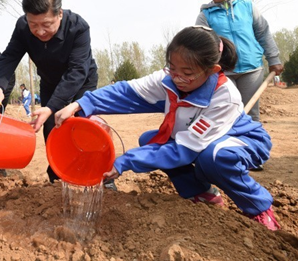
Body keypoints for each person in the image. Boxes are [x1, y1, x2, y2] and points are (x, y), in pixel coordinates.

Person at [55, 26, 280, 231]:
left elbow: (183, 150)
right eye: (172, 68)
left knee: (213, 158)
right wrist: (80, 104)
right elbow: (125, 92)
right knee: (150, 141)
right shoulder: (167, 79)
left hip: (240, 139)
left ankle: (258, 208)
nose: (178, 78)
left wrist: (124, 162)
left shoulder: (224, 97)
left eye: (188, 72)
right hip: (197, 141)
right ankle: (201, 193)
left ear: (212, 70)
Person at [0, 0, 116, 189]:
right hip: (49, 82)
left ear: (60, 14)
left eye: (46, 25)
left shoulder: (78, 27)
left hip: (81, 82)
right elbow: (9, 58)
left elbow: (77, 71)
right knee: (52, 129)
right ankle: (59, 178)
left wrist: (52, 106)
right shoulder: (22, 27)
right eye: (33, 25)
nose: (39, 31)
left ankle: (103, 177)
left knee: (84, 125)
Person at [195, 0, 284, 122]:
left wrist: (274, 59)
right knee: (229, 115)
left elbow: (263, 33)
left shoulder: (247, 7)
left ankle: (254, 145)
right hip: (223, 72)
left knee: (251, 115)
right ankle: (232, 146)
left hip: (252, 70)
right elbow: (200, 46)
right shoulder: (205, 16)